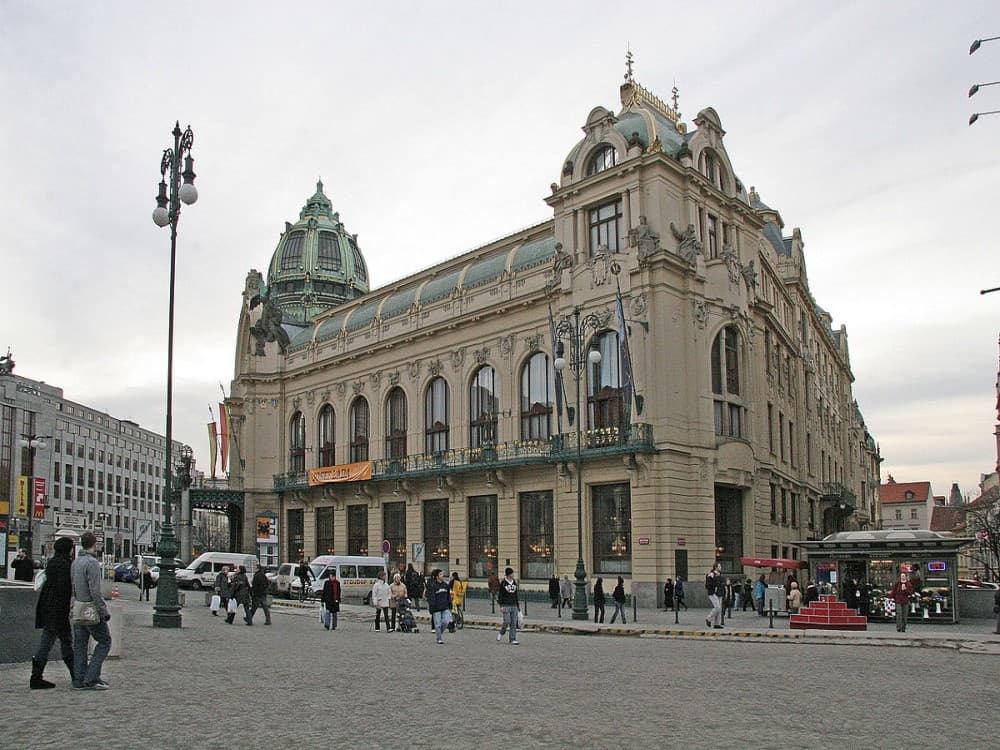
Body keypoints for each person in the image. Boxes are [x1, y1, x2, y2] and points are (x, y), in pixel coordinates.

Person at [31, 536, 75, 689]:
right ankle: (75, 675)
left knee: (51, 641)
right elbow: (64, 589)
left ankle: (36, 676)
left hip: (48, 606)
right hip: (58, 609)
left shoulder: (53, 562)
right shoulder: (65, 565)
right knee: (62, 641)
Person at [71, 531, 111, 690]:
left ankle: (78, 679)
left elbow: (73, 587)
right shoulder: (92, 563)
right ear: (94, 544)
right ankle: (92, 676)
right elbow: (95, 591)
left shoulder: (76, 562)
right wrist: (103, 611)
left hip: (78, 607)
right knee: (104, 641)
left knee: (80, 644)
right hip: (90, 609)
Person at [426, 568, 451, 644]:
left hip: (445, 607)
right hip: (436, 608)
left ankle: (439, 632)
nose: (442, 575)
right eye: (440, 574)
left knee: (446, 621)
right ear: (437, 576)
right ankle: (439, 638)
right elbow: (431, 597)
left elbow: (448, 596)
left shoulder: (446, 585)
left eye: (442, 574)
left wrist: (450, 604)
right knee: (437, 624)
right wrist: (432, 607)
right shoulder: (433, 586)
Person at [496, 567, 520, 644]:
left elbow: (516, 594)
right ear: (509, 574)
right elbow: (500, 595)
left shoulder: (514, 582)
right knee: (507, 621)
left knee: (513, 623)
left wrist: (517, 605)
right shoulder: (503, 583)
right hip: (506, 605)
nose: (513, 574)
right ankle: (501, 632)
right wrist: (501, 605)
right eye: (512, 573)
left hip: (514, 605)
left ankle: (512, 639)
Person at [705, 564, 723, 628]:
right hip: (713, 593)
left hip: (719, 593)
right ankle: (708, 619)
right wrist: (713, 588)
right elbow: (708, 585)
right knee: (717, 607)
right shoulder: (711, 574)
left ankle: (717, 624)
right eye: (719, 566)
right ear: (715, 567)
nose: (721, 568)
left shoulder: (719, 575)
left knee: (719, 609)